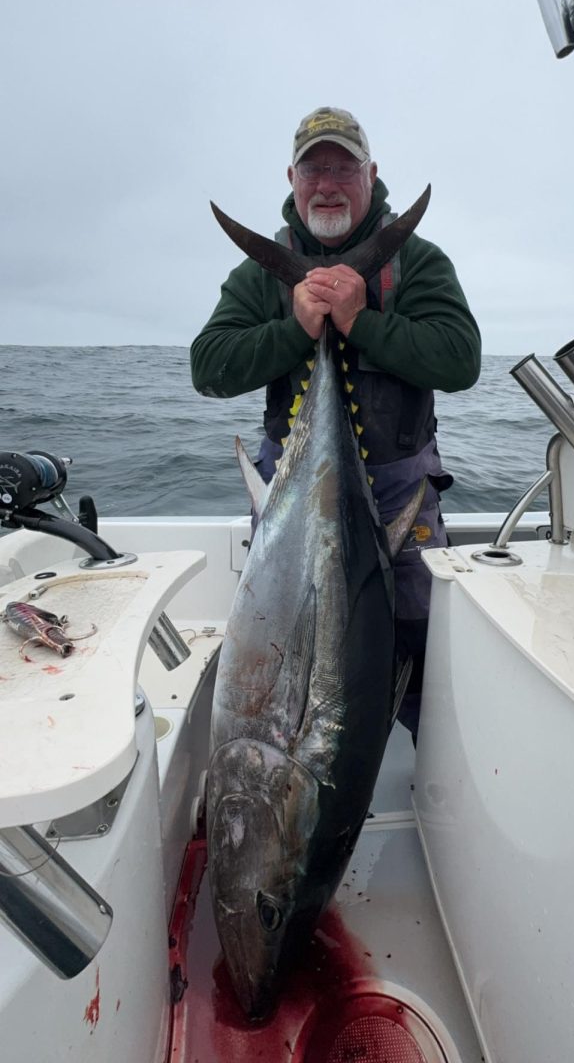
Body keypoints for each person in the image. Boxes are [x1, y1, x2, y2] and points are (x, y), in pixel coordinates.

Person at [191, 107, 481, 740]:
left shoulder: (418, 262)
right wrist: (297, 326)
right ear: (292, 179)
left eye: (343, 168)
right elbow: (208, 368)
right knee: (286, 637)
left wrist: (361, 322)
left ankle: (431, 769)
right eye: (313, 169)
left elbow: (461, 360)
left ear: (371, 175)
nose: (327, 184)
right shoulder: (258, 273)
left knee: (412, 637)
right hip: (293, 495)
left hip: (402, 497)